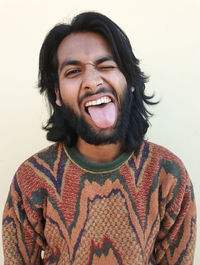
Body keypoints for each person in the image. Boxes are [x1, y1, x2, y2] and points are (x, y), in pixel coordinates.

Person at [2, 11, 196, 265]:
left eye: (106, 66)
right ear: (57, 95)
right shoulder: (31, 179)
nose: (92, 82)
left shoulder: (169, 175)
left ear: (131, 82)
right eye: (73, 71)